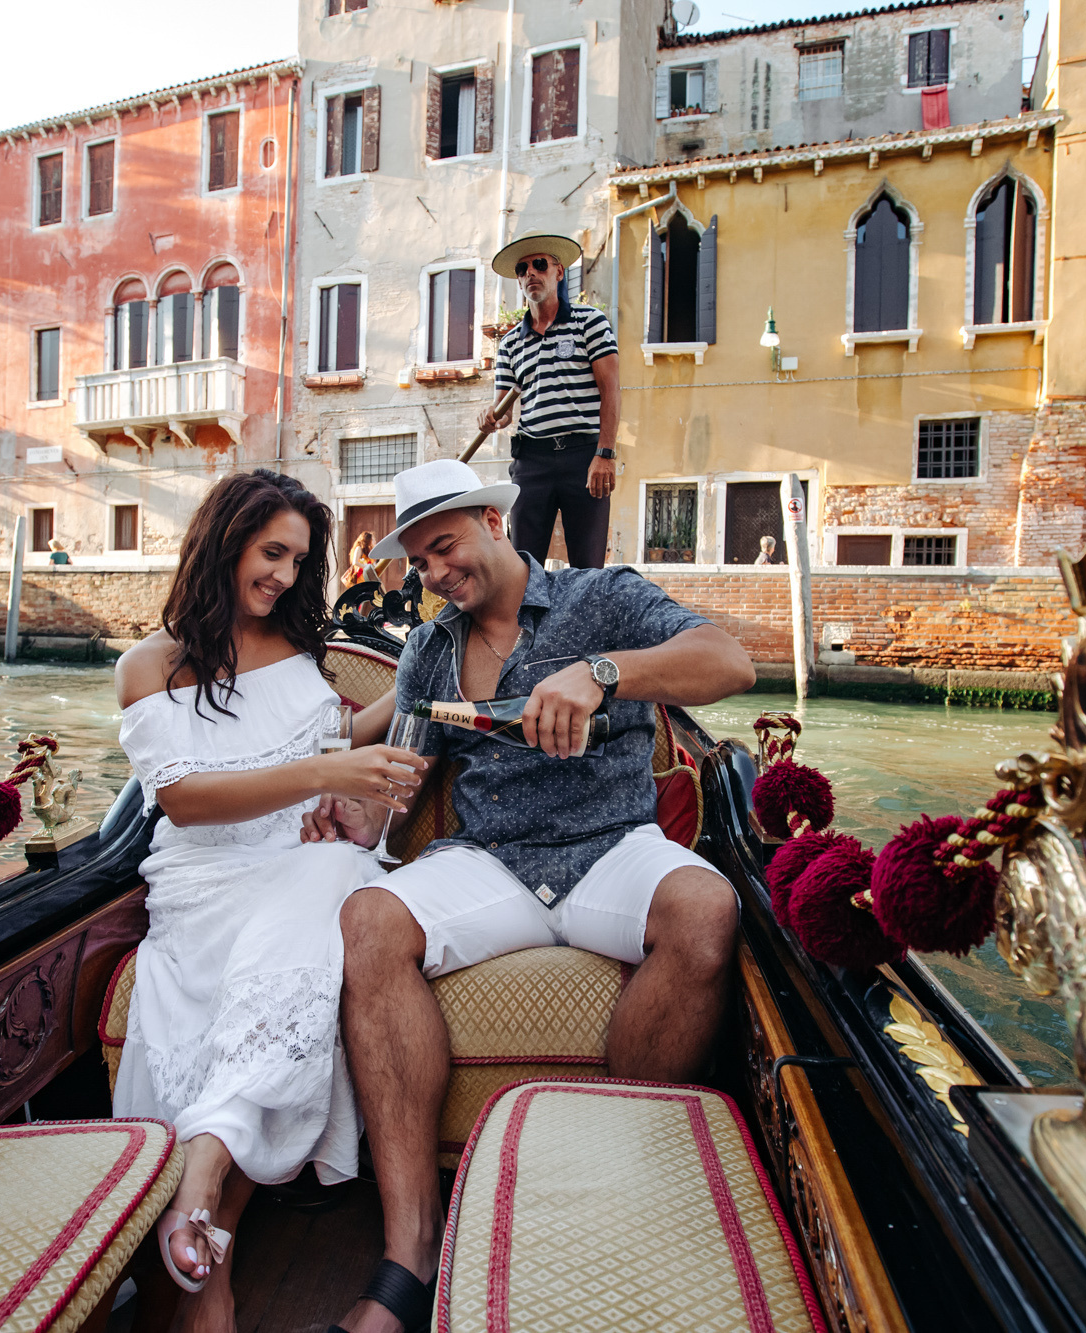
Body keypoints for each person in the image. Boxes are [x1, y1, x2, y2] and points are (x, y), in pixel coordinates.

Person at [311, 458, 756, 1333]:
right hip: (490, 860)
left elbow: (729, 661)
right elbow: (401, 779)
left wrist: (603, 673)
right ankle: (410, 1255)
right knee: (368, 919)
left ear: (490, 518)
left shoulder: (604, 596)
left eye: (444, 548)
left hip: (612, 848)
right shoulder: (432, 650)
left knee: (708, 911)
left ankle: (612, 1188)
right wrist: (355, 805)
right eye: (421, 563)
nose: (436, 575)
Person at [112, 469, 425, 1332]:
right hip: (205, 879)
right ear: (224, 541)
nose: (286, 576)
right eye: (272, 552)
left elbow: (327, 744)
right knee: (309, 918)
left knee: (333, 880)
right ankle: (211, 1261)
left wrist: (418, 683)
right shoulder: (149, 665)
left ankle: (204, 1205)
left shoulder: (297, 654)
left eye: (298, 559)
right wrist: (328, 772)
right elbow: (187, 799)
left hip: (302, 861)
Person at [478, 233, 620, 570]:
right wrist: (490, 416)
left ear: (558, 272)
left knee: (588, 568)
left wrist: (605, 453)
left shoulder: (590, 322)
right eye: (523, 268)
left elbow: (611, 390)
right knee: (522, 566)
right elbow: (503, 411)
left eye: (539, 264)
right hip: (533, 460)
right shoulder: (511, 343)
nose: (531, 273)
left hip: (584, 456)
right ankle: (527, 625)